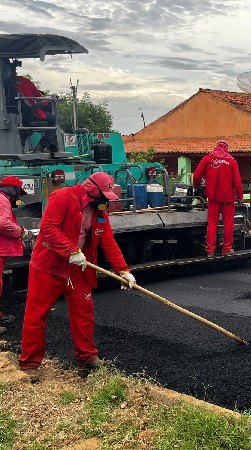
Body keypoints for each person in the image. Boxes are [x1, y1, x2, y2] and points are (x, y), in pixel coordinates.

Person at [18, 172, 136, 383]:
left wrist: (123, 270)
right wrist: (71, 250)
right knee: (36, 315)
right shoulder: (63, 197)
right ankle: (30, 364)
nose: (106, 200)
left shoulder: (99, 211)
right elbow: (48, 229)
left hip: (77, 269)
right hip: (49, 266)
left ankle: (87, 356)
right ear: (92, 189)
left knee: (84, 312)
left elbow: (108, 241)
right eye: (104, 195)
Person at [193, 140, 244, 257]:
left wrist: (196, 186)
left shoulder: (207, 159)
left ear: (216, 147)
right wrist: (240, 196)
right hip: (228, 198)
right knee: (228, 223)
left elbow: (196, 176)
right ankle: (226, 249)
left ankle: (210, 250)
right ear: (226, 148)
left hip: (213, 197)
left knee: (212, 223)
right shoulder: (231, 161)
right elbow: (237, 181)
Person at [0, 176, 32, 333]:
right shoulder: (2, 200)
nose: (18, 197)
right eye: (19, 193)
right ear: (13, 190)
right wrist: (21, 231)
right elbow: (2, 223)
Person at [15, 75, 58, 152]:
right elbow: (39, 97)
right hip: (29, 115)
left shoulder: (5, 84)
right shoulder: (25, 81)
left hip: (12, 117)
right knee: (53, 120)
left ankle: (22, 145)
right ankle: (42, 145)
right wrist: (47, 100)